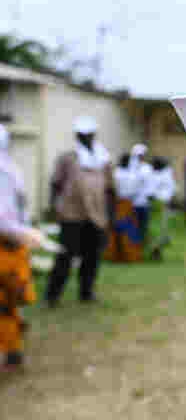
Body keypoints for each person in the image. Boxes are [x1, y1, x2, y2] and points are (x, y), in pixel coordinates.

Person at [46, 116, 114, 305]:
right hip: (72, 214)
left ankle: (86, 291)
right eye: (82, 135)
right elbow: (55, 183)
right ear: (77, 136)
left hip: (97, 215)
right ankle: (53, 294)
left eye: (89, 135)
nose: (86, 138)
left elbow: (109, 189)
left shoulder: (103, 158)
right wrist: (54, 207)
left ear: (94, 135)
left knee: (92, 256)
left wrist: (110, 215)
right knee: (65, 255)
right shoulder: (68, 158)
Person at [0, 124, 43, 371]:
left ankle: (11, 350)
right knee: (7, 301)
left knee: (7, 301)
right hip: (11, 244)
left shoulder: (7, 173)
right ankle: (11, 350)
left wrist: (25, 233)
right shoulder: (11, 171)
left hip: (8, 245)